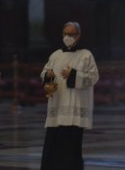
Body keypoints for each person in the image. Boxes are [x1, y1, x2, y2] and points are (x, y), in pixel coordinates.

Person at [40, 21, 99, 170]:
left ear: (78, 36)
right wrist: (48, 75)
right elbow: (44, 74)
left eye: (71, 34)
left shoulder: (86, 55)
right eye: (66, 34)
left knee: (71, 149)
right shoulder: (55, 55)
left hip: (74, 111)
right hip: (57, 108)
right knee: (51, 147)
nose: (68, 37)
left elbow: (93, 77)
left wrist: (73, 75)